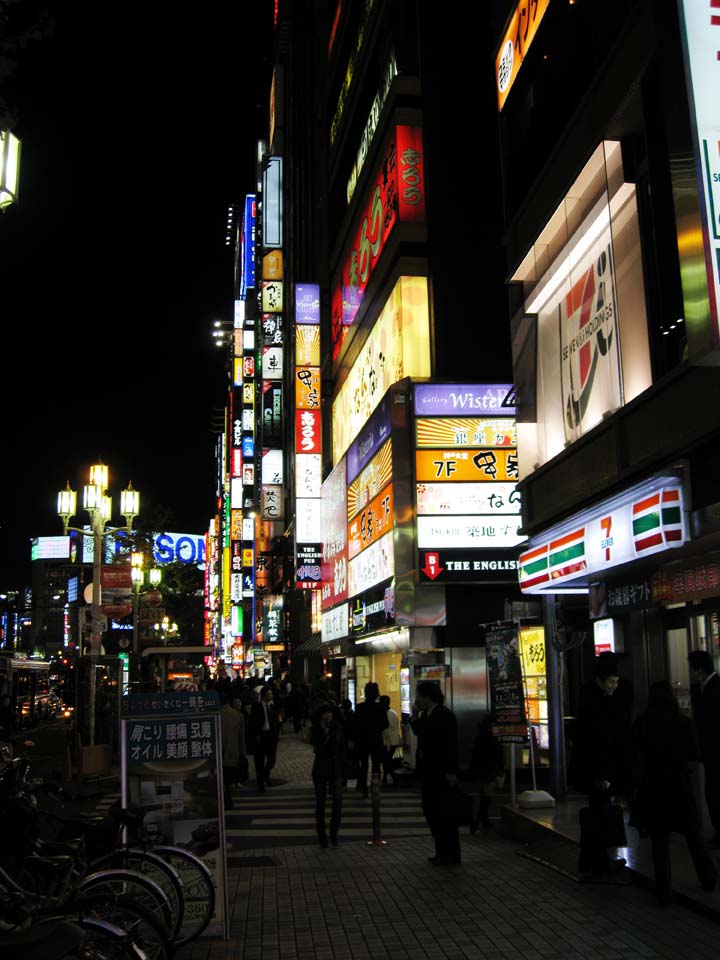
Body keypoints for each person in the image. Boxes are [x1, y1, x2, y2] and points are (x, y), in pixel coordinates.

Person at [631, 681, 717, 904]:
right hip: (680, 786)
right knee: (693, 837)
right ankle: (708, 878)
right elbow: (695, 752)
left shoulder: (643, 723)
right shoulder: (683, 723)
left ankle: (663, 891)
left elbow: (634, 753)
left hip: (654, 788)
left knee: (660, 843)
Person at [569, 653, 633, 880]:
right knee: (600, 814)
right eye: (611, 682)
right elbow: (597, 743)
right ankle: (599, 862)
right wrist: (603, 774)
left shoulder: (591, 699)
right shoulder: (597, 705)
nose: (614, 686)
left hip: (592, 769)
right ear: (600, 680)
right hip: (597, 770)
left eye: (616, 682)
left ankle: (589, 860)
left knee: (595, 815)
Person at [409, 680, 461, 866]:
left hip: (441, 772)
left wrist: (451, 772)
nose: (416, 700)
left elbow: (450, 746)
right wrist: (414, 716)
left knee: (443, 814)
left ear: (427, 697)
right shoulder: (427, 715)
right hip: (429, 771)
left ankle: (450, 854)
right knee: (431, 812)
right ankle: (441, 851)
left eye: (418, 696)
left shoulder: (444, 715)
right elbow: (418, 731)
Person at [687, 649, 720, 848]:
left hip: (714, 752)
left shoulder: (713, 690)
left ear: (699, 671)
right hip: (710, 753)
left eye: (692, 669)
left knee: (714, 792)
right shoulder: (705, 688)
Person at [310, 702, 346, 847]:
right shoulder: (316, 729)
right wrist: (324, 733)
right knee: (321, 802)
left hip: (335, 767)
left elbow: (340, 746)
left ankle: (334, 832)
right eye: (325, 714)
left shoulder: (337, 727)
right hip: (320, 768)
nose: (328, 716)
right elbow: (317, 748)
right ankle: (322, 835)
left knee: (338, 801)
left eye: (329, 713)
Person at [469, 713, 505, 831]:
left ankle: (483, 819)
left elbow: (475, 753)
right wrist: (501, 767)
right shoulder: (494, 738)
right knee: (487, 794)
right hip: (491, 768)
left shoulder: (480, 736)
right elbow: (499, 754)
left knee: (485, 793)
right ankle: (479, 819)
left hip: (481, 768)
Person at [353, 681, 388, 798]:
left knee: (363, 764)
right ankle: (375, 787)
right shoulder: (381, 707)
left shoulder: (359, 707)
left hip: (362, 740)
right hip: (376, 739)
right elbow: (385, 724)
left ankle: (363, 788)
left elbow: (355, 724)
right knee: (376, 765)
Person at [248, 685, 280, 791]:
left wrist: (277, 734)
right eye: (269, 694)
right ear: (263, 696)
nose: (271, 696)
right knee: (259, 761)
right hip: (260, 737)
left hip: (271, 736)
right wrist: (255, 735)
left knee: (272, 759)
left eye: (271, 694)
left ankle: (266, 774)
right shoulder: (256, 706)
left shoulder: (273, 706)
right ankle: (260, 783)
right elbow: (252, 722)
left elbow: (276, 721)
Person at [220, 692, 247, 809]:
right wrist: (243, 754)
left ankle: (223, 800)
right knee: (228, 780)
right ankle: (228, 799)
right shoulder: (238, 715)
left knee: (220, 779)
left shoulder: (215, 714)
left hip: (218, 753)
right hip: (232, 753)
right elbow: (242, 739)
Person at [379, 695, 402, 786]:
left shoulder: (385, 714)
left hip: (387, 742)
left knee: (386, 761)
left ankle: (390, 776)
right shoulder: (394, 713)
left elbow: (386, 730)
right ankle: (387, 777)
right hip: (393, 741)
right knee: (387, 760)